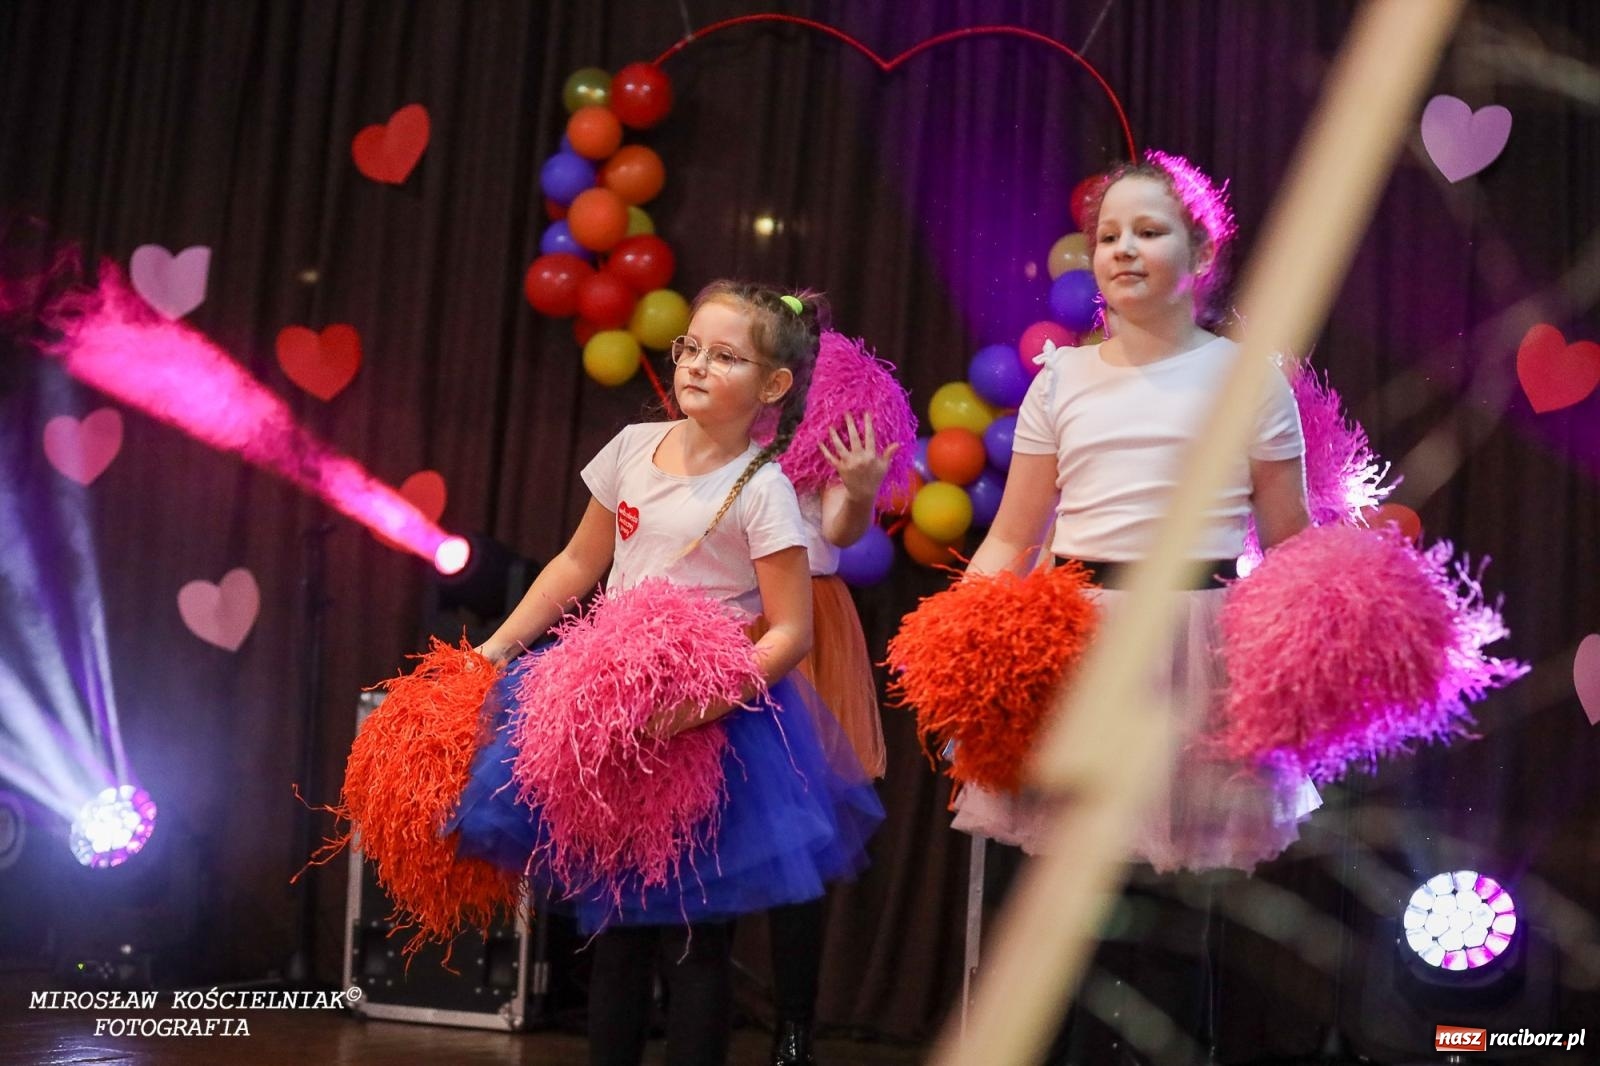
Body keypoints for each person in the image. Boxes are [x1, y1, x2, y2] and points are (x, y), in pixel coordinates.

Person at [952, 151, 1320, 1060]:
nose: (1121, 249)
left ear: (1200, 252)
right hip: (1077, 646)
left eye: (1148, 232)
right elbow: (1012, 537)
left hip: (1199, 651)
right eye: (1106, 235)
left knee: (1171, 920)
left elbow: (1293, 540)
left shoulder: (1249, 379)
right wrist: (967, 641)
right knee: (1068, 918)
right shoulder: (1062, 381)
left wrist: (1317, 650)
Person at [456, 281, 883, 1066]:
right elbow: (578, 564)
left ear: (774, 385)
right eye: (691, 346)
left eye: (726, 356)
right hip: (609, 717)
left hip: (711, 728)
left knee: (695, 942)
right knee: (615, 937)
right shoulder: (628, 448)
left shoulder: (764, 488)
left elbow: (788, 631)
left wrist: (697, 709)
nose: (695, 365)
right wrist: (498, 650)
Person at [770, 397, 902, 1066]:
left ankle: (795, 1026)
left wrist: (858, 490)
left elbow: (841, 530)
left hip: (806, 619)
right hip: (717, 612)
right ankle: (681, 1006)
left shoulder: (828, 417)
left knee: (798, 827)